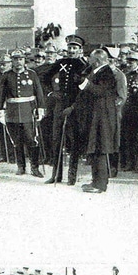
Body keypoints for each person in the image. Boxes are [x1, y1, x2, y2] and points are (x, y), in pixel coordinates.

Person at [73, 47, 119, 193]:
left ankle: (100, 184)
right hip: (96, 117)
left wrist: (86, 83)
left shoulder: (107, 73)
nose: (88, 60)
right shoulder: (96, 71)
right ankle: (96, 181)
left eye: (90, 58)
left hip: (103, 118)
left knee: (101, 148)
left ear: (97, 60)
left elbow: (101, 91)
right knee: (95, 147)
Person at [44, 34, 88, 185]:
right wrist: (52, 92)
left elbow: (85, 90)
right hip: (60, 105)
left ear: (80, 50)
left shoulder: (84, 65)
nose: (71, 50)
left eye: (74, 48)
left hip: (75, 107)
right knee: (56, 139)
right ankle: (56, 175)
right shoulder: (60, 62)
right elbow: (46, 77)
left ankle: (72, 176)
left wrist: (75, 106)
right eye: (69, 47)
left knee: (73, 141)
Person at [0, 49, 45, 177]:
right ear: (12, 61)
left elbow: (39, 92)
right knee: (17, 141)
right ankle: (21, 166)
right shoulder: (6, 76)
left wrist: (41, 108)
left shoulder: (32, 74)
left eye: (20, 59)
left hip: (28, 111)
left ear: (24, 60)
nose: (18, 62)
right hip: (12, 113)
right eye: (15, 59)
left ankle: (35, 167)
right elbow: (1, 95)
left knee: (31, 140)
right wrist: (0, 111)